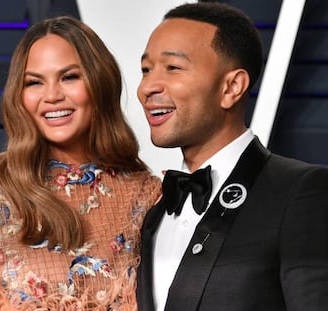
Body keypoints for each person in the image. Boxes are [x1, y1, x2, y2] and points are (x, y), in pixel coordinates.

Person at [0, 16, 161, 310]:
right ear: (20, 97)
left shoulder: (146, 193)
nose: (52, 96)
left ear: (99, 82)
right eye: (34, 82)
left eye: (69, 77)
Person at [136, 2, 328, 311]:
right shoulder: (153, 211)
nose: (147, 87)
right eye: (146, 70)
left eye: (173, 68)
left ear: (232, 86)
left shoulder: (300, 192)